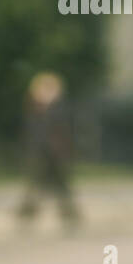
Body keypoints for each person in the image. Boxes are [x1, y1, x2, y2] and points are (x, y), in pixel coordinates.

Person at [15, 71, 81, 229]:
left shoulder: (58, 110)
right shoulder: (35, 109)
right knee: (36, 185)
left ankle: (68, 214)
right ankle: (27, 214)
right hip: (41, 153)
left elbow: (65, 132)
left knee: (61, 187)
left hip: (56, 154)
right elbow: (32, 132)